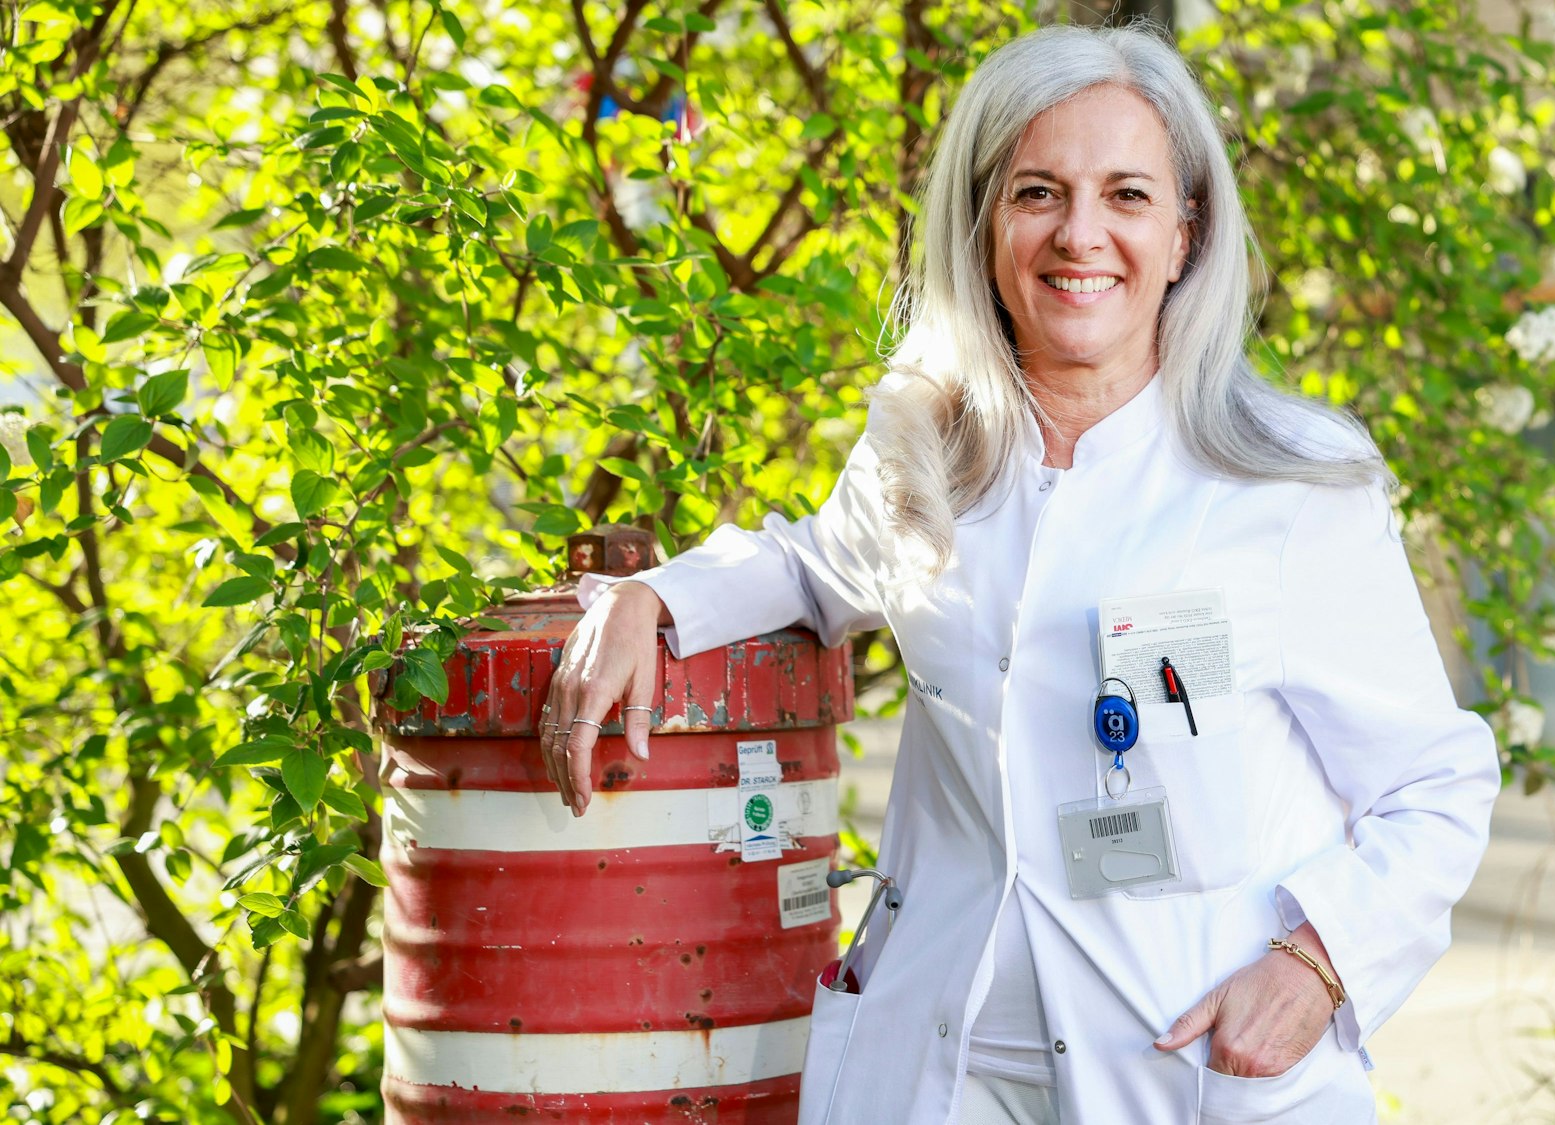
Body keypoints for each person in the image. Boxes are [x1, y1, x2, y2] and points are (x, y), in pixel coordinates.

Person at [542, 22, 1500, 1125]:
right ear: (985, 223)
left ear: (1185, 233)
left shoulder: (1290, 484)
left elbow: (1433, 786)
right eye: (1036, 191)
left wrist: (1317, 964)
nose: (1078, 234)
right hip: (942, 1067)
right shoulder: (927, 454)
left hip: (1188, 1063)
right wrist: (654, 598)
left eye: (1127, 195)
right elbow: (813, 565)